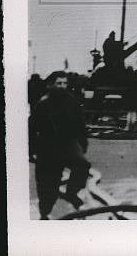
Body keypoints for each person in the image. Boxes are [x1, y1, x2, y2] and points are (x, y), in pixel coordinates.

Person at [29, 72, 90, 219]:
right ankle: (45, 213)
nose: (63, 86)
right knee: (48, 184)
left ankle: (71, 193)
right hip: (48, 147)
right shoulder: (42, 104)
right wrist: (32, 150)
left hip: (69, 144)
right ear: (50, 85)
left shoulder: (71, 101)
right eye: (59, 83)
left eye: (65, 83)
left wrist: (83, 142)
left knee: (82, 165)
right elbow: (32, 129)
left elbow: (80, 123)